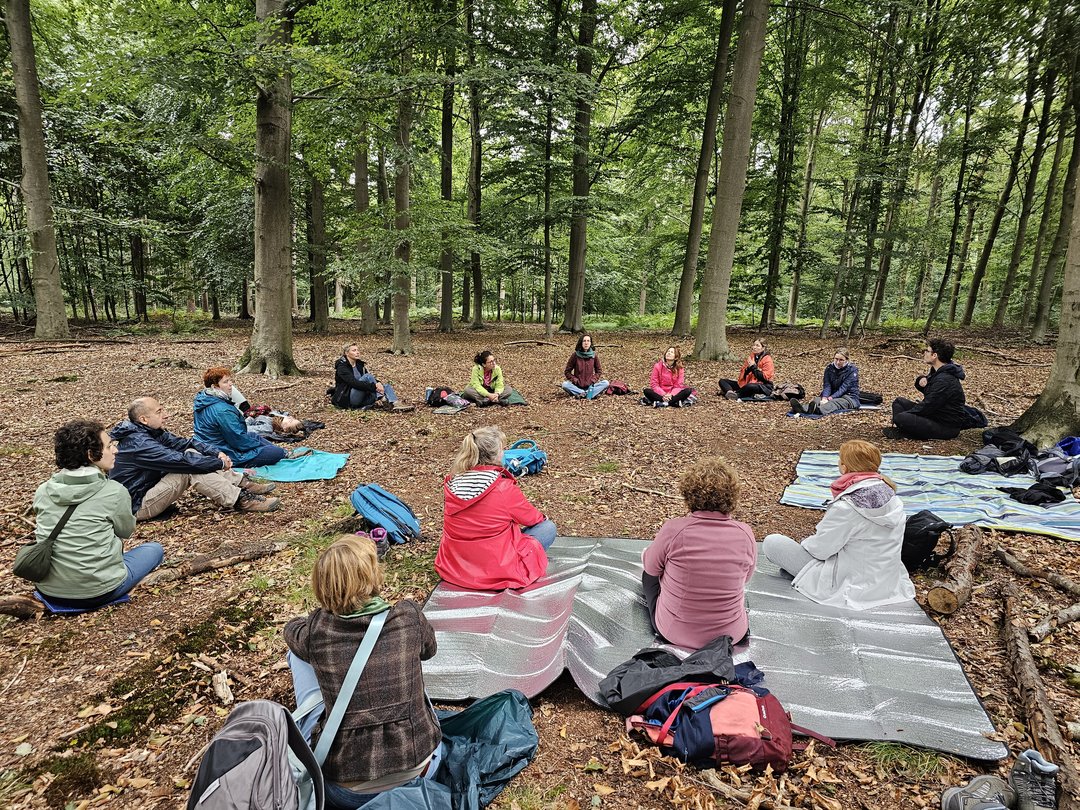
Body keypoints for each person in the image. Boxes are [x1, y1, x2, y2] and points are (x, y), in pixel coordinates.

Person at [285, 536, 443, 808]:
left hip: (347, 791)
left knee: (296, 656)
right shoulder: (408, 617)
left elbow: (290, 631)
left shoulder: (316, 631)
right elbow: (429, 651)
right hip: (419, 770)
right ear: (373, 575)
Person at [762, 440, 914, 609]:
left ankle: (800, 575)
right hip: (888, 583)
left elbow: (820, 549)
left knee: (772, 543)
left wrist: (804, 545)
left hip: (851, 585)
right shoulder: (893, 497)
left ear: (844, 466)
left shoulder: (847, 507)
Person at [32, 420, 164, 610]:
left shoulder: (43, 490)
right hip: (98, 591)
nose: (116, 450)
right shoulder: (114, 491)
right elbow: (126, 530)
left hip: (49, 589)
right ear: (91, 454)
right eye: (109, 446)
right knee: (154, 549)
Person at [641, 457, 756, 649]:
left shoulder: (673, 530)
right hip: (730, 635)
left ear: (689, 496)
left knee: (649, 576)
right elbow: (745, 578)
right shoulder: (745, 533)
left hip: (676, 633)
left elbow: (651, 568)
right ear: (732, 497)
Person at [111, 397, 280, 518]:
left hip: (146, 491)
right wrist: (219, 463)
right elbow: (178, 461)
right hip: (135, 506)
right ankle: (240, 500)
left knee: (193, 455)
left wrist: (215, 453)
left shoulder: (149, 432)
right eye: (159, 411)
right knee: (188, 469)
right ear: (144, 419)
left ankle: (242, 484)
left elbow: (185, 443)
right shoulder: (139, 442)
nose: (166, 415)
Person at [435, 426, 556, 590]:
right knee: (547, 528)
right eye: (502, 449)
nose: (504, 453)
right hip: (497, 567)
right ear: (495, 454)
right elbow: (533, 518)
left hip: (455, 566)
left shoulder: (452, 483)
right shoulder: (502, 486)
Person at [193, 367, 289, 467]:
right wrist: (256, 446)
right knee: (275, 452)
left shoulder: (203, 399)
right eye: (225, 382)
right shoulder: (222, 410)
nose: (230, 384)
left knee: (253, 435)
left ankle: (284, 453)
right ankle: (283, 453)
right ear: (215, 387)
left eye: (230, 380)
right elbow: (237, 439)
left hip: (207, 444)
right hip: (222, 452)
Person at [884, 339, 977, 440]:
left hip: (946, 426)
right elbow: (930, 390)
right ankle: (906, 429)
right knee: (899, 402)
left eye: (927, 351)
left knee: (901, 417)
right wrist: (920, 381)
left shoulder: (945, 379)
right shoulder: (938, 372)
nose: (925, 353)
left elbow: (928, 405)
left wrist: (906, 414)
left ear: (934, 355)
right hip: (934, 415)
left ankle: (908, 433)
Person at [331, 344, 411, 412]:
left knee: (385, 386)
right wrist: (374, 386)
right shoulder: (342, 367)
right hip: (349, 399)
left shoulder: (359, 365)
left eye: (358, 350)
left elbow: (370, 380)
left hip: (363, 396)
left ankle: (395, 403)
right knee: (368, 377)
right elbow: (354, 383)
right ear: (347, 353)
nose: (357, 352)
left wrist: (378, 383)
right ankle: (383, 398)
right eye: (354, 350)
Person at [790, 348, 860, 416]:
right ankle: (802, 409)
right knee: (817, 400)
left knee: (833, 403)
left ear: (846, 360)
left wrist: (830, 398)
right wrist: (825, 397)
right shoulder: (829, 368)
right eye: (836, 359)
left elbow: (844, 388)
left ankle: (817, 410)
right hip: (832, 393)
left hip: (849, 396)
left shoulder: (852, 370)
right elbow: (827, 385)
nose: (838, 362)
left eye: (841, 360)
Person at [562, 334, 609, 400]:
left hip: (590, 386)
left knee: (606, 383)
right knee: (565, 384)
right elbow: (567, 372)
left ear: (590, 343)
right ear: (581, 343)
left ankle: (583, 394)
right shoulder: (575, 355)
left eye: (588, 341)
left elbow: (599, 371)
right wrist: (575, 380)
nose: (586, 343)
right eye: (584, 341)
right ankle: (587, 394)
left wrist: (593, 380)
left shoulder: (594, 356)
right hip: (577, 386)